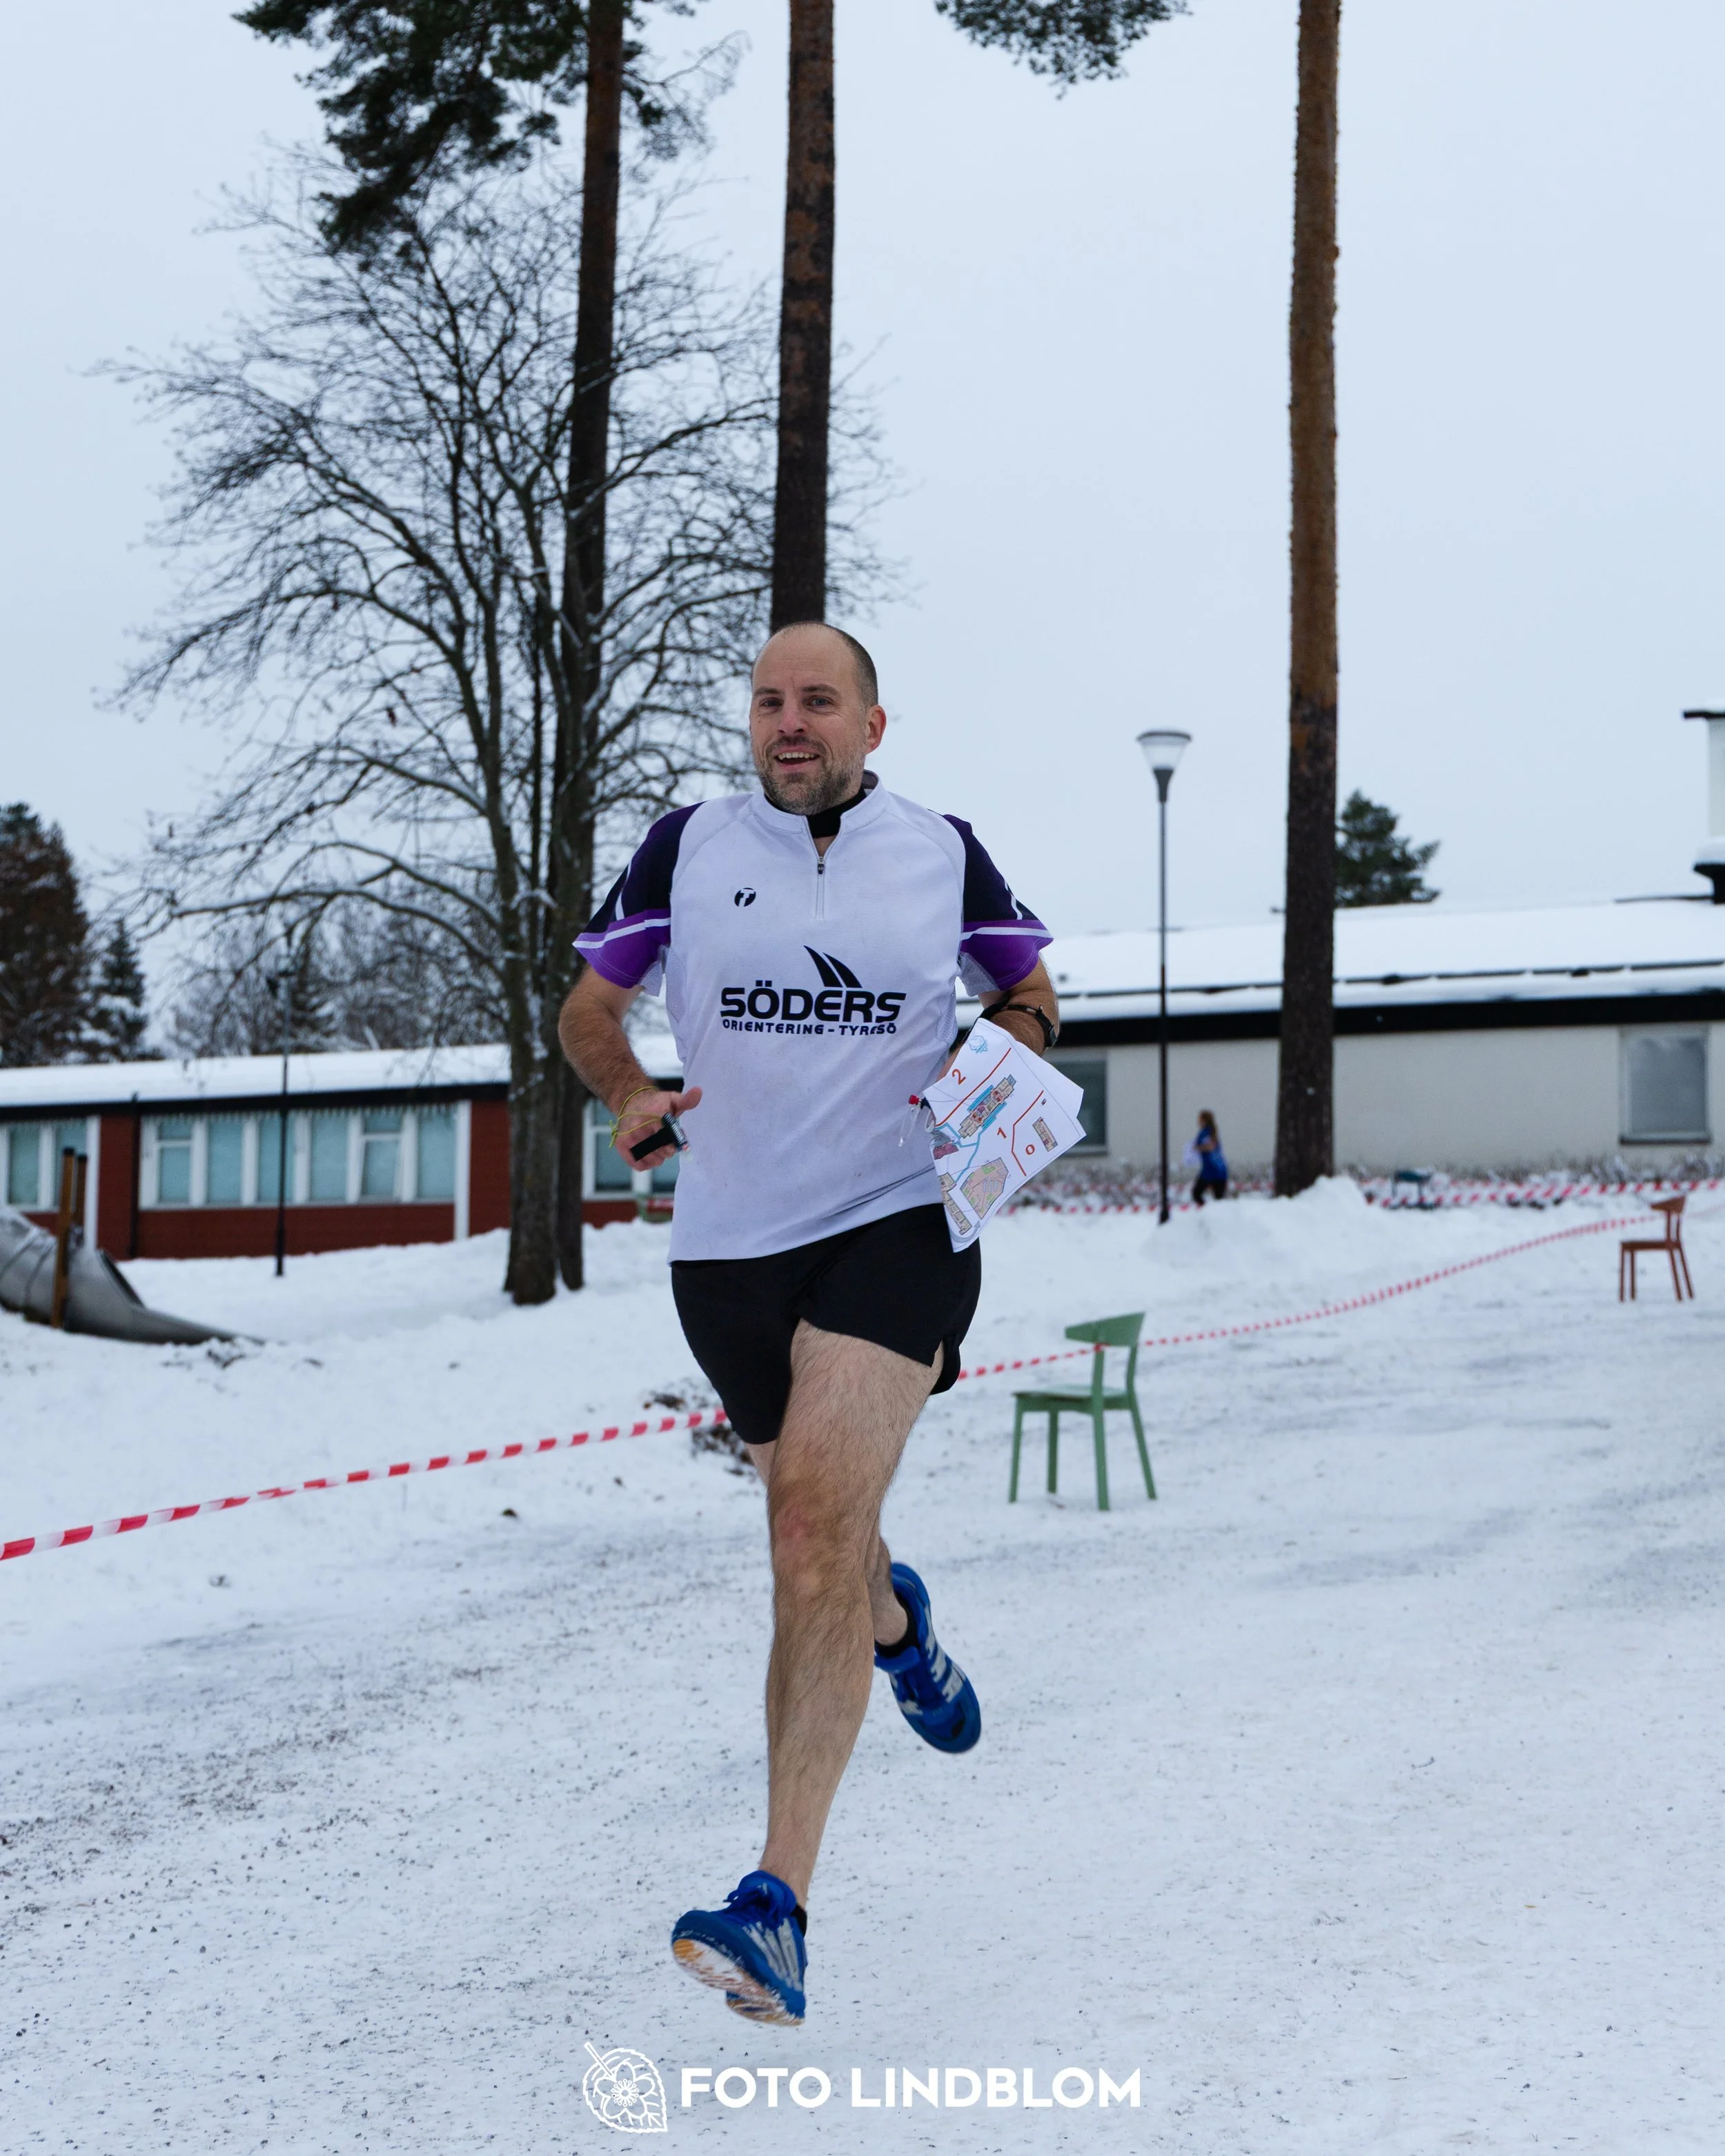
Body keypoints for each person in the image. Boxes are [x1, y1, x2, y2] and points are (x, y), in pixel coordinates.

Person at [558, 622, 1058, 2028]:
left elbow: (1028, 995)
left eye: (817, 698)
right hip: (725, 1243)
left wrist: (1001, 1050)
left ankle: (773, 1902)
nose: (788, 720)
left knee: (801, 1532)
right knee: (820, 1530)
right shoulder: (686, 844)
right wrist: (626, 1089)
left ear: (871, 724)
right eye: (769, 699)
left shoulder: (941, 850)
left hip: (898, 1218)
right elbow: (589, 1004)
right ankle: (900, 1624)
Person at [1187, 1109, 1228, 1203]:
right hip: (1219, 1170)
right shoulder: (1212, 1131)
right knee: (1218, 1200)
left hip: (1211, 1170)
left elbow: (1211, 1146)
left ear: (1203, 1120)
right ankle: (1211, 1213)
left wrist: (1197, 1147)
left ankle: (1206, 1213)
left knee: (1196, 1193)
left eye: (1199, 1119)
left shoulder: (1206, 1132)